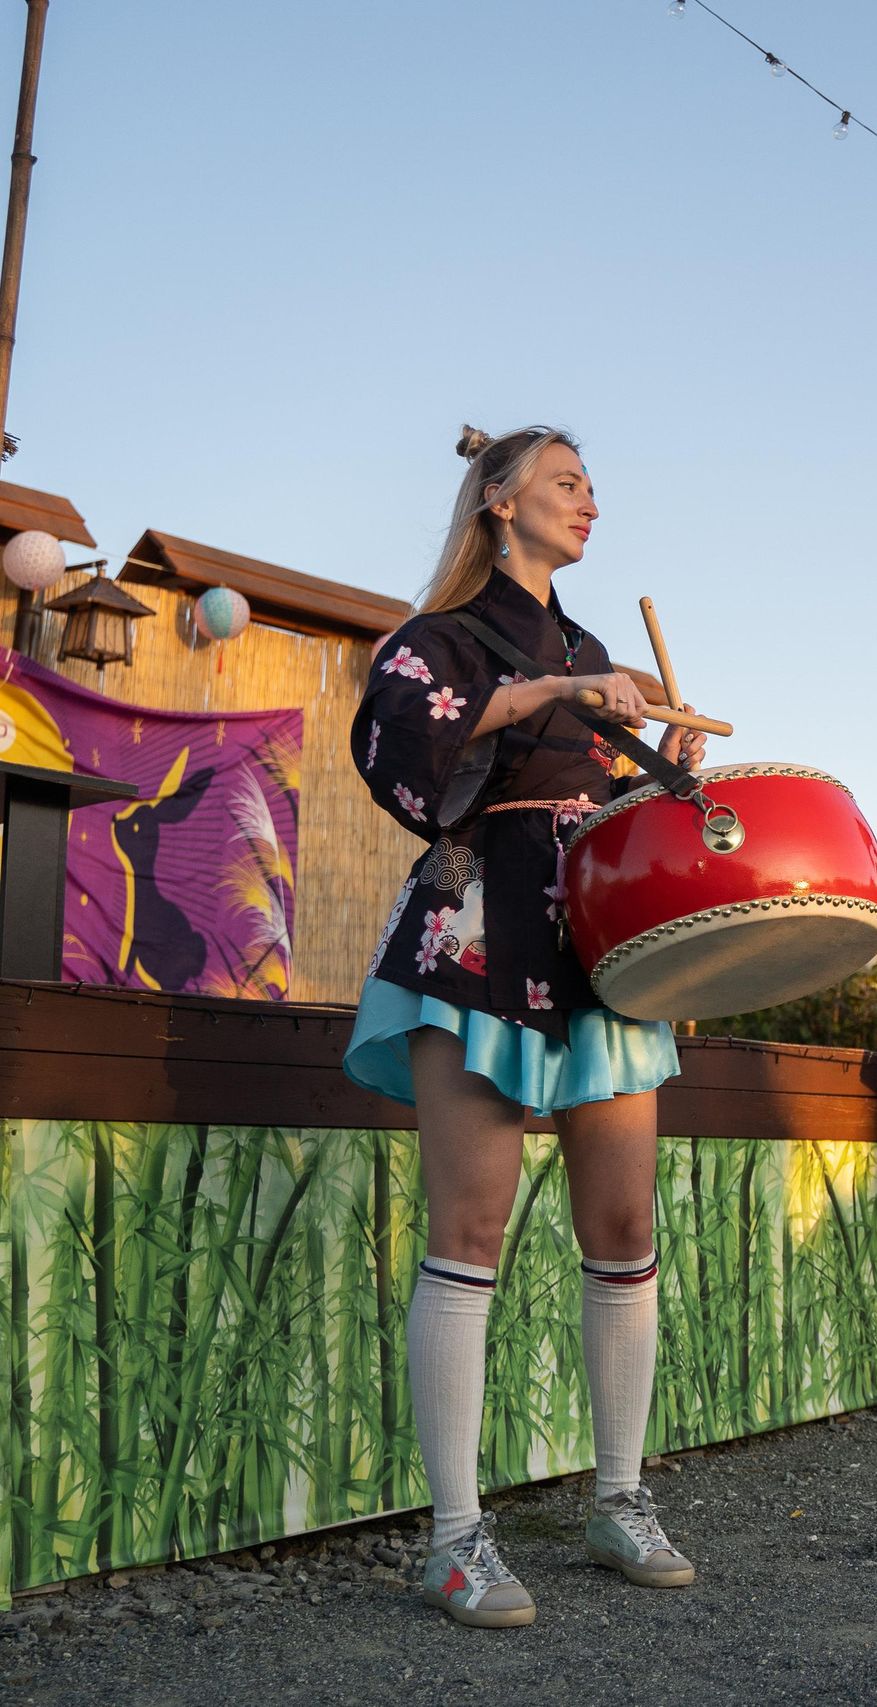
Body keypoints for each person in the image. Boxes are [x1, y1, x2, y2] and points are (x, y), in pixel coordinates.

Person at [345, 425, 704, 1628]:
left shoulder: (598, 652)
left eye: (593, 486)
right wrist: (555, 692)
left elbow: (604, 808)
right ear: (499, 502)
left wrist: (660, 770)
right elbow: (408, 759)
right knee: (471, 1227)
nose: (588, 501)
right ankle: (454, 1538)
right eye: (565, 482)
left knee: (623, 1223)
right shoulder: (435, 640)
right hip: (478, 921)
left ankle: (619, 1498)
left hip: (594, 936)